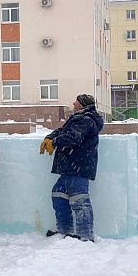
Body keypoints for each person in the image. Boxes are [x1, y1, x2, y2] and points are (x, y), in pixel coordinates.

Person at [39, 94, 104, 242]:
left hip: (78, 166)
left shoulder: (85, 120)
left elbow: (73, 137)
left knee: (80, 201)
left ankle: (85, 236)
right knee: (58, 194)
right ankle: (65, 231)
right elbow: (63, 131)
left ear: (83, 104)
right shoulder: (78, 118)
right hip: (70, 167)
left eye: (77, 101)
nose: (73, 103)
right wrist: (50, 137)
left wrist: (54, 143)